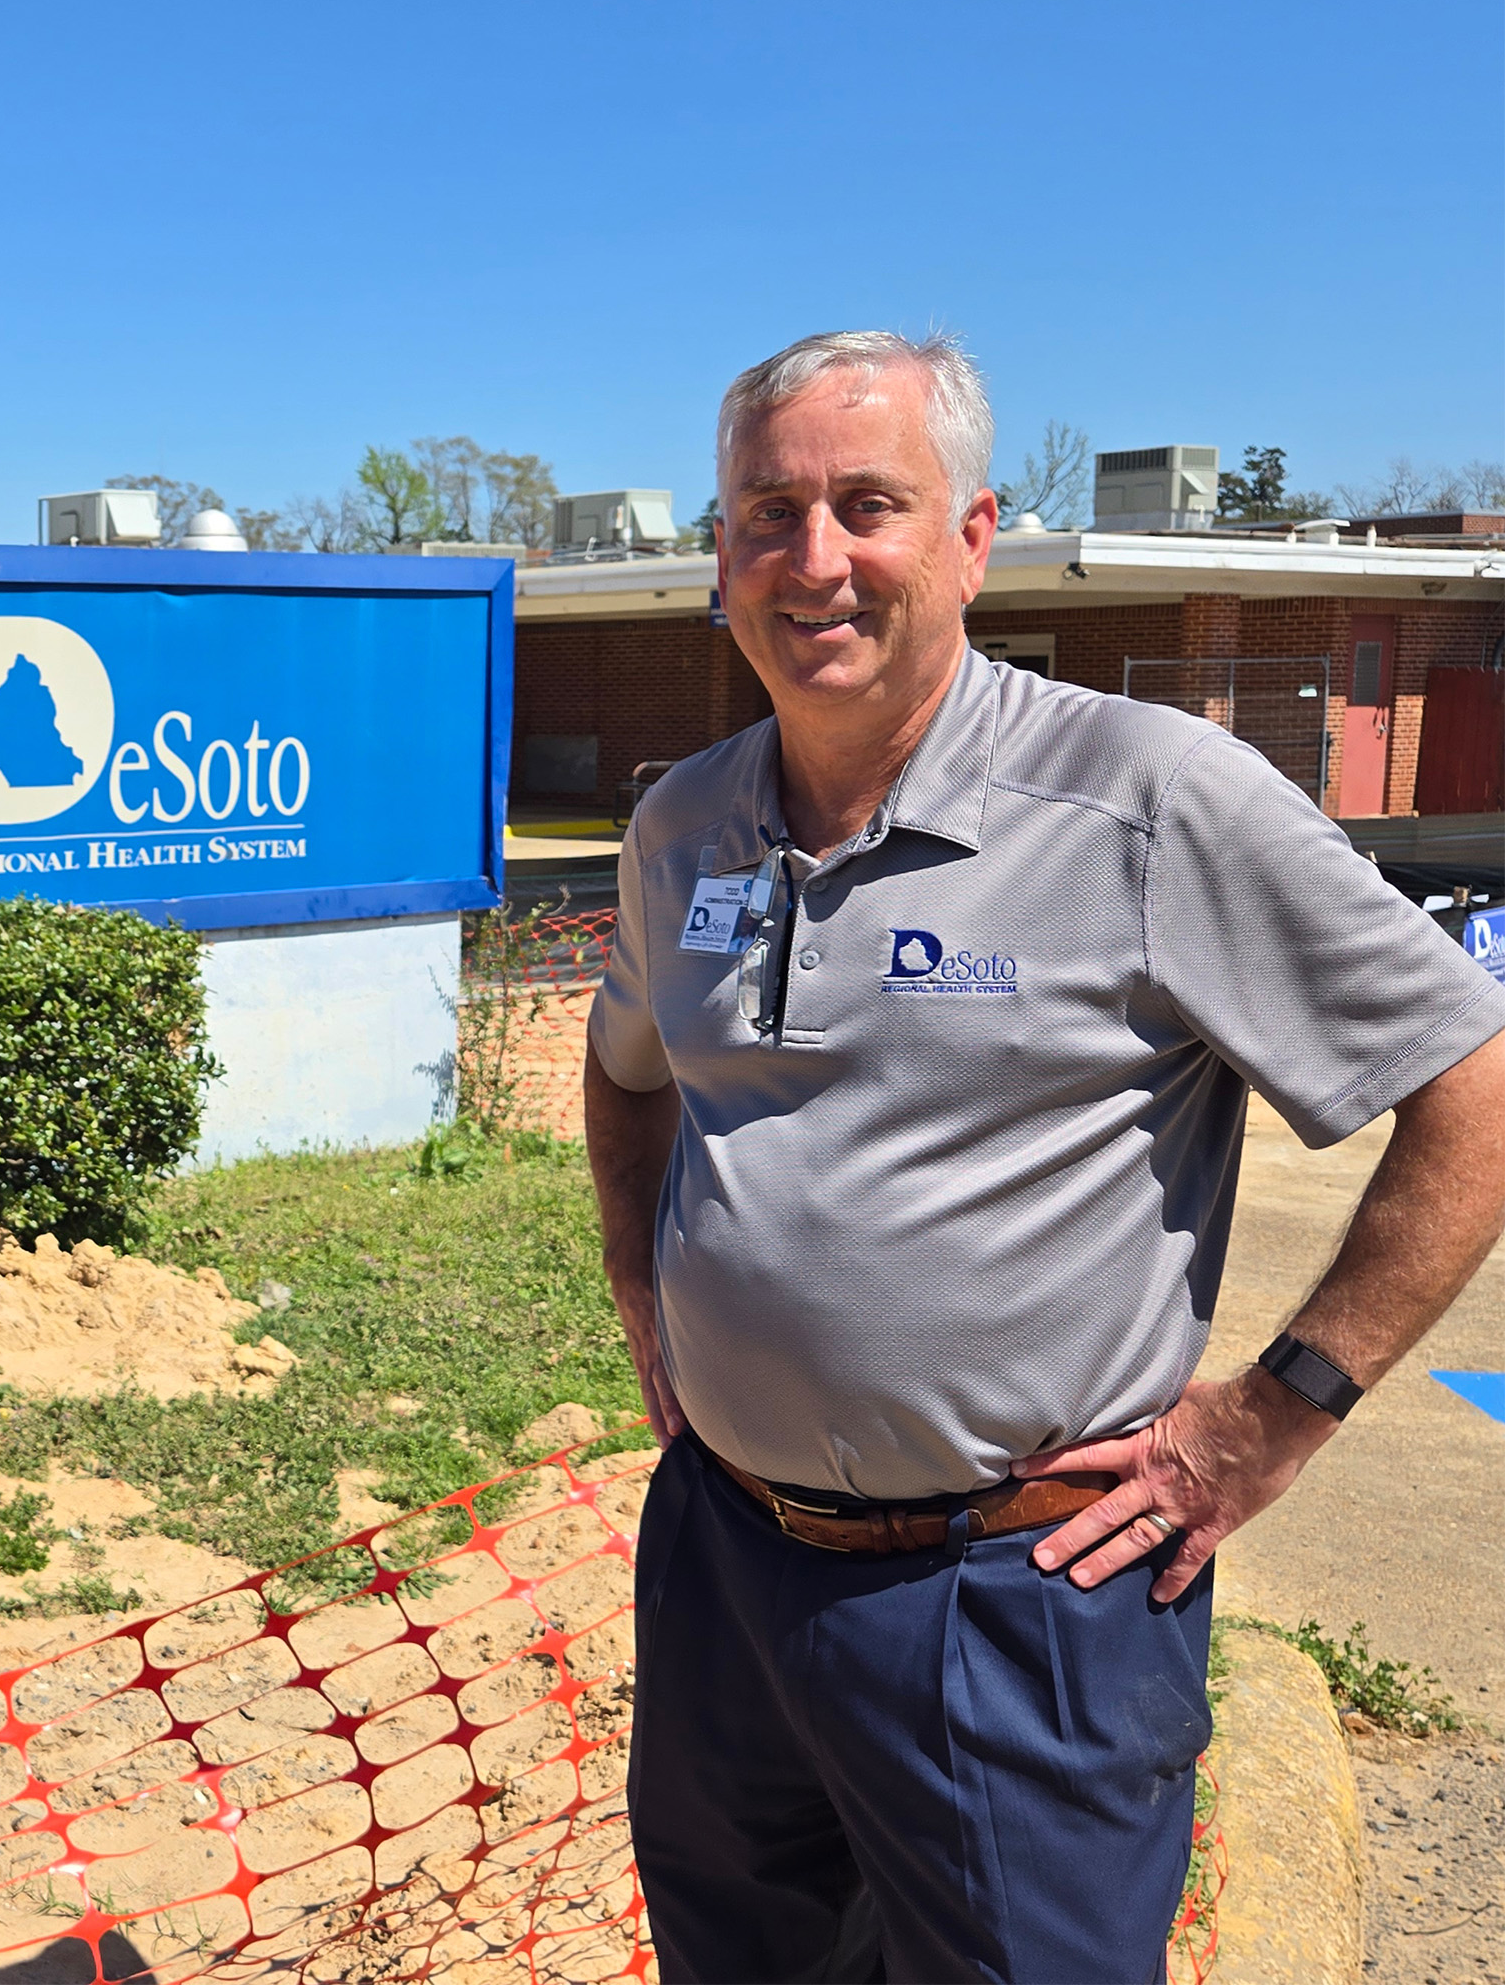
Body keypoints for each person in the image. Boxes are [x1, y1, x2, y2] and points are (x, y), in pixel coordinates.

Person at [585, 328, 1505, 1982]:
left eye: (870, 504)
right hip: (725, 1563)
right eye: (766, 512)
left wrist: (1279, 1411)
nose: (816, 561)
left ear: (972, 535)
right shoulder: (687, 824)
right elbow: (629, 1070)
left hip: (1017, 1599)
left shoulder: (1147, 806)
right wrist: (640, 1286)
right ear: (718, 552)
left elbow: (1476, 1083)